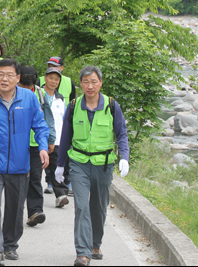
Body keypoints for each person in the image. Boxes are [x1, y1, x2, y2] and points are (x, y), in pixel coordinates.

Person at [0, 59, 49, 266]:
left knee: (15, 208)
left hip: (20, 165)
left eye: (9, 75)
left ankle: (10, 245)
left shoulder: (29, 99)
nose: (4, 79)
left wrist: (42, 146)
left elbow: (40, 126)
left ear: (18, 78)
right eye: (1, 74)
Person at [55, 65, 129, 267]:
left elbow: (121, 133)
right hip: (79, 163)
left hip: (103, 164)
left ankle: (95, 244)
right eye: (86, 82)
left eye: (94, 81)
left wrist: (125, 157)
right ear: (80, 84)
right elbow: (66, 136)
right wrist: (60, 165)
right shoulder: (73, 106)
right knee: (81, 207)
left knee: (99, 207)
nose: (90, 86)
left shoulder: (112, 106)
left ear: (100, 83)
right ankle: (83, 253)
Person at [17, 66, 56, 228]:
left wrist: (50, 140)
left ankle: (35, 211)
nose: (25, 89)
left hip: (36, 144)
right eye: (23, 86)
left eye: (28, 86)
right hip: (16, 143)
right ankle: (16, 212)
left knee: (34, 177)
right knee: (17, 179)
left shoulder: (40, 94)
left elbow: (48, 118)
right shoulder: (11, 92)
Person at [41, 67, 69, 208]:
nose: (53, 81)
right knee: (33, 168)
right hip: (38, 139)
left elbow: (63, 119)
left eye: (56, 79)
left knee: (57, 167)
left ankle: (61, 195)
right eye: (51, 78)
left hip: (57, 139)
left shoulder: (60, 98)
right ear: (45, 78)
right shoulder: (37, 94)